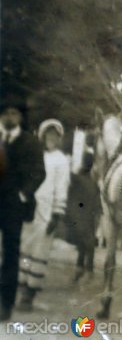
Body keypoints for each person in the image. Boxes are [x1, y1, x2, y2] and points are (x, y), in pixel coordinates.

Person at [16, 119, 70, 311]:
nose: (51, 139)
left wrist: (57, 214)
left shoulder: (61, 160)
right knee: (24, 249)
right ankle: (20, 287)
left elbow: (61, 189)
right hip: (29, 209)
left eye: (55, 136)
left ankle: (29, 294)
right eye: (48, 135)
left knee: (39, 252)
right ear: (42, 135)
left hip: (47, 213)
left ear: (59, 138)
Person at [0, 101, 46, 320]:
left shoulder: (30, 142)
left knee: (11, 253)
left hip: (13, 206)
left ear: (20, 117)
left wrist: (22, 195)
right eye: (6, 112)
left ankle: (5, 304)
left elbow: (39, 172)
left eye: (14, 113)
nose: (10, 117)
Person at [65, 146, 101, 283]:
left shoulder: (82, 179)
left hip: (85, 214)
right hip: (85, 214)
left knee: (86, 242)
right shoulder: (88, 180)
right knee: (85, 243)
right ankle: (83, 270)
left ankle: (86, 270)